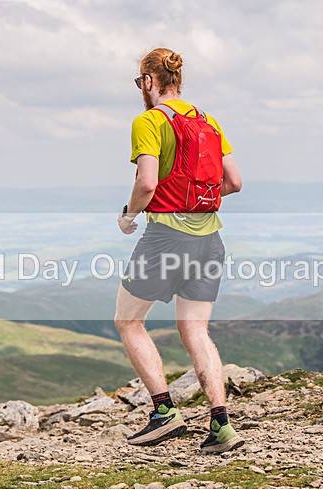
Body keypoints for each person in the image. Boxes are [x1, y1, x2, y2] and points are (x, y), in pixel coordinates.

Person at [115, 48, 244, 454]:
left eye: (141, 82)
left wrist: (127, 214)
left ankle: (164, 413)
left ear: (150, 81)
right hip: (211, 240)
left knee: (128, 322)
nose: (141, 89)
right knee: (195, 330)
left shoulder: (149, 121)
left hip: (166, 237)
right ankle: (221, 425)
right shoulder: (208, 120)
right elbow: (235, 182)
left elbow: (148, 182)